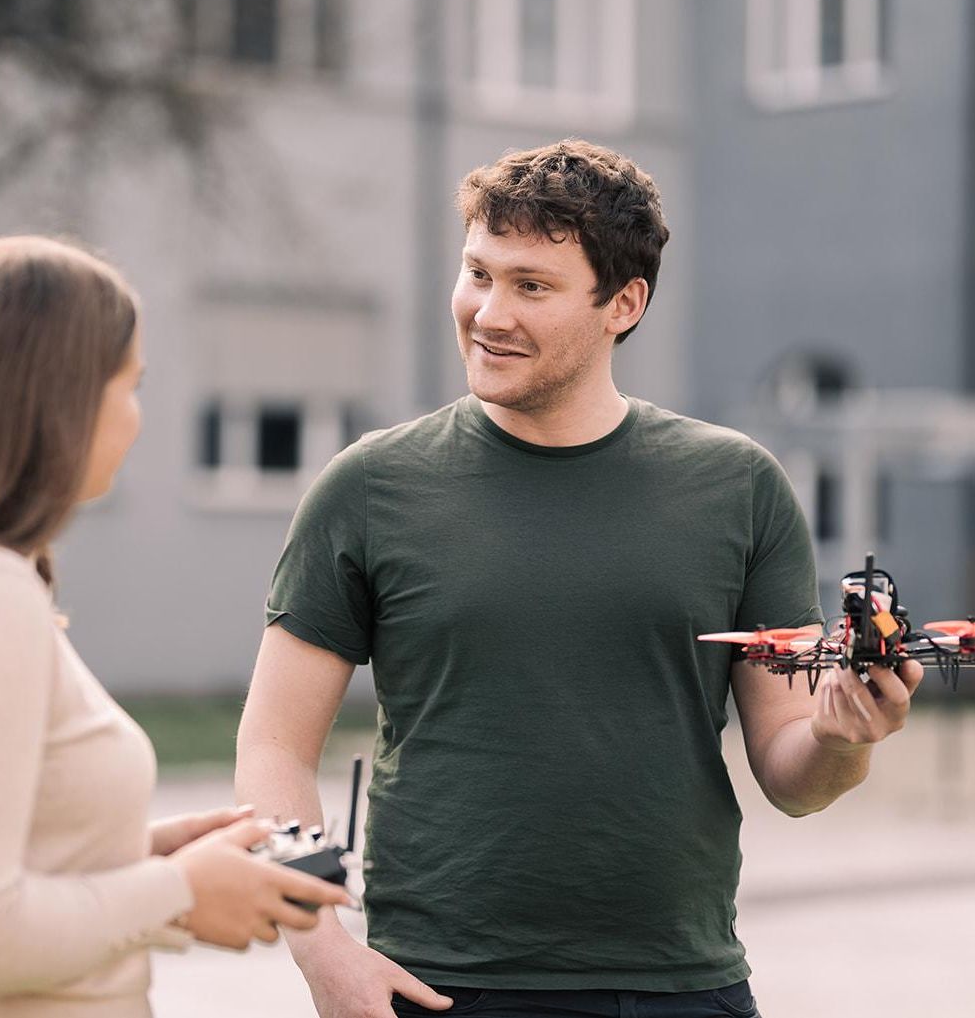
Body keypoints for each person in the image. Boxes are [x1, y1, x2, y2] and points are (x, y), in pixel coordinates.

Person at [234, 140, 922, 1018]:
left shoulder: (739, 488)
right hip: (439, 985)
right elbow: (272, 748)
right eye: (477, 273)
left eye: (531, 285)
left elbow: (795, 776)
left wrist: (843, 736)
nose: (488, 313)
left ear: (622, 304)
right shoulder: (368, 486)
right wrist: (322, 952)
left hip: (682, 988)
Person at [0, 236, 353, 1018]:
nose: (138, 419)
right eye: (131, 385)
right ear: (63, 399)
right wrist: (178, 890)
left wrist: (141, 857)